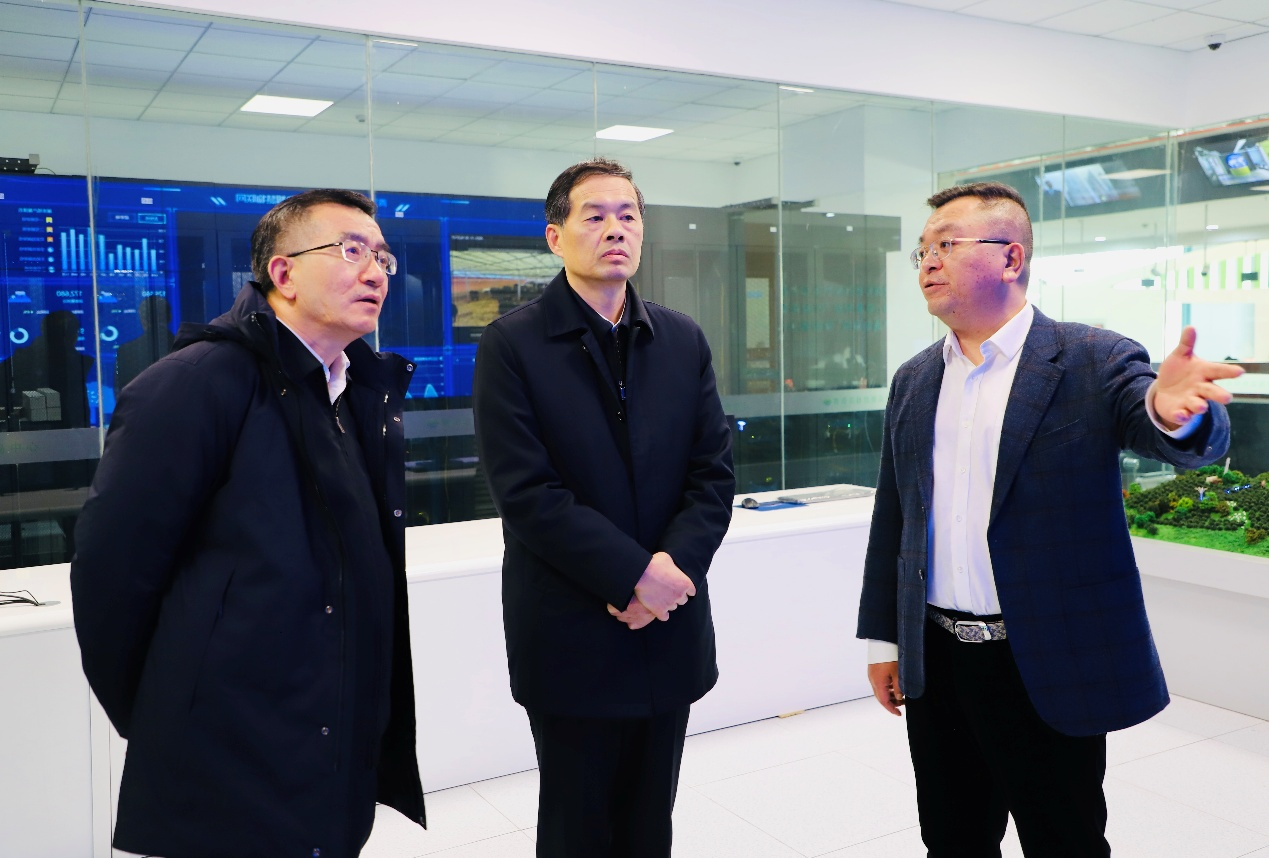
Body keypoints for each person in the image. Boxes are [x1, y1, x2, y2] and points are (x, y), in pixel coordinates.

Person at [856, 181, 1242, 858]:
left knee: (1063, 840)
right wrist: (883, 639)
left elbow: (1158, 423)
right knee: (950, 839)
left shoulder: (1090, 358)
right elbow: (895, 515)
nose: (928, 261)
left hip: (1044, 659)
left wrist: (1174, 413)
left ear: (1011, 258)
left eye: (947, 244)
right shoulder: (915, 379)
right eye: (922, 249)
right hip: (938, 659)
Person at [70, 189, 426, 858]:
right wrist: (170, 714)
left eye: (382, 256)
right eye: (351, 250)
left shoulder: (354, 392)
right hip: (226, 761)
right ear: (283, 273)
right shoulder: (196, 382)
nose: (376, 271)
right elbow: (111, 577)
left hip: (329, 748)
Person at [472, 158, 734, 857]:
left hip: (668, 621)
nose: (615, 229)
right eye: (594, 215)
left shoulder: (681, 339)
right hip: (572, 627)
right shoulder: (513, 344)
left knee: (651, 823)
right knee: (577, 825)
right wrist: (634, 576)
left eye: (628, 215)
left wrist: (671, 573)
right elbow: (527, 493)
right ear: (554, 236)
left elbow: (712, 474)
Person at [114, 294, 176, 392]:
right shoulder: (185, 346)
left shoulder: (126, 350)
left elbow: (121, 391)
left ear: (142, 319)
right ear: (170, 317)